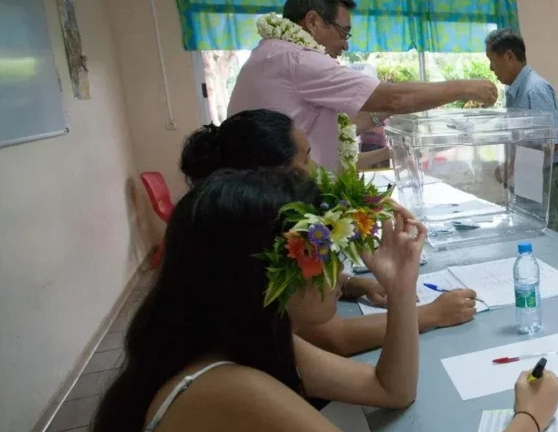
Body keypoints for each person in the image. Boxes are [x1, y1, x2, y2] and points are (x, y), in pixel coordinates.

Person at [56, 169, 558, 432]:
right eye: (325, 252)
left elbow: (390, 389)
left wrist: (403, 288)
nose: (343, 271)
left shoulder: (239, 340)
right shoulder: (230, 394)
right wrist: (530, 417)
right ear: (269, 275)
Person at [179, 110, 478, 356]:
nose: (314, 171)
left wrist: (355, 284)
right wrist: (431, 314)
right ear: (275, 174)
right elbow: (335, 337)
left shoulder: (240, 219)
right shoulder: (258, 240)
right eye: (305, 160)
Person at [229, 0, 499, 170]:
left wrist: (380, 117)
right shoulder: (299, 59)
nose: (345, 44)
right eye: (343, 32)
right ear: (312, 21)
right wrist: (466, 87)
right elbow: (394, 99)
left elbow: (324, 126)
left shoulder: (271, 54)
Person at [486, 28, 558, 236]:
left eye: (492, 60)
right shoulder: (515, 91)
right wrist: (509, 166)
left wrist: (514, 166)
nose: (491, 68)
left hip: (548, 177)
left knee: (551, 239)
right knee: (531, 235)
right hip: (531, 174)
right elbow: (523, 139)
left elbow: (552, 143)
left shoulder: (534, 89)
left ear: (509, 56)